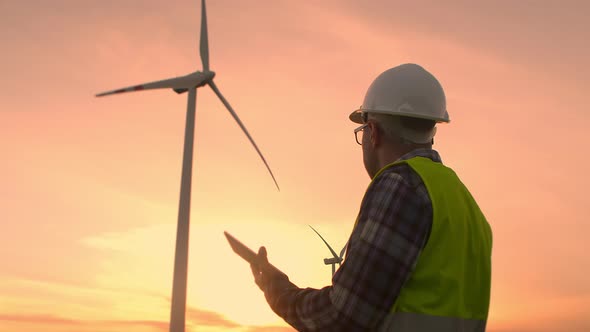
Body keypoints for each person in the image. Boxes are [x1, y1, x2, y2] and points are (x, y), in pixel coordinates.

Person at [250, 63, 493, 331]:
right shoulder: (466, 205)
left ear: (373, 133)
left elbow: (344, 318)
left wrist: (277, 290)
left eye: (362, 131)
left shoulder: (401, 185)